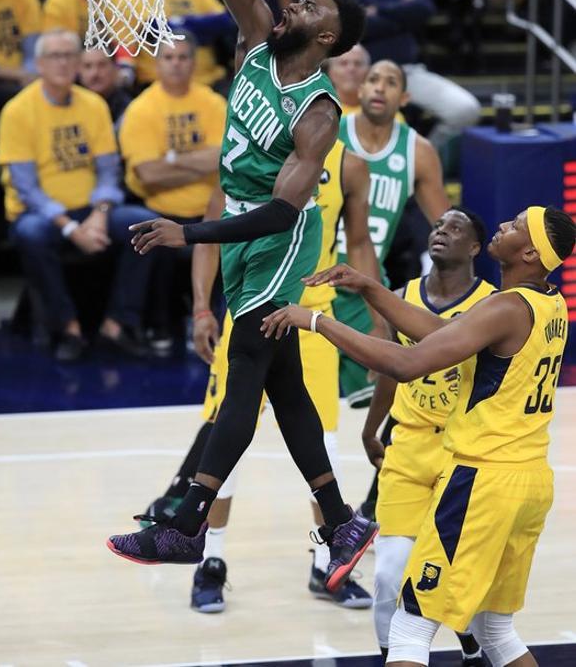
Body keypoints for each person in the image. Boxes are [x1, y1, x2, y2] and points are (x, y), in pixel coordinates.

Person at [106, 0, 374, 589]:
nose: (295, 0)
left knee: (245, 368)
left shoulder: (317, 114)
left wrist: (187, 230)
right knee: (282, 380)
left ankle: (188, 520)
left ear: (325, 35)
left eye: (312, 3)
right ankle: (340, 514)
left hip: (279, 237)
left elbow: (282, 214)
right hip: (245, 228)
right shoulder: (257, 38)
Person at [262, 205, 575, 667]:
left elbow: (407, 364)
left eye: (513, 226)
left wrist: (317, 322)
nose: (503, 225)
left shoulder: (506, 306)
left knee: (410, 626)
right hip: (527, 481)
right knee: (496, 630)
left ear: (529, 252)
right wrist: (369, 286)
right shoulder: (550, 304)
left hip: (482, 481)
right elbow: (441, 332)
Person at [143, 136, 379, 612]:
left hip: (313, 317)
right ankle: (212, 561)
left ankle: (325, 561)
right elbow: (212, 231)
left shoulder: (349, 166)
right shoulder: (244, 156)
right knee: (225, 442)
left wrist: (377, 315)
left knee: (324, 445)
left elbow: (358, 242)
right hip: (250, 313)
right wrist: (202, 309)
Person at [362, 207, 495, 664]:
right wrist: (371, 427)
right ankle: (392, 655)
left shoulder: (493, 305)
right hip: (409, 447)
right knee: (388, 575)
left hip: (464, 452)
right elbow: (390, 368)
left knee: (457, 572)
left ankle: (473, 643)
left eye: (456, 228)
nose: (442, 232)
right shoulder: (404, 297)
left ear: (476, 247)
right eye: (438, 226)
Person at [0, 29, 156, 361]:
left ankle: (117, 324)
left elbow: (108, 171)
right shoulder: (17, 110)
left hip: (91, 208)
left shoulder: (93, 104)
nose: (64, 63)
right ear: (39, 64)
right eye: (55, 56)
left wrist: (99, 213)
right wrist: (71, 228)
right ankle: (67, 328)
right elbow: (27, 189)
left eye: (70, 55)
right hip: (41, 214)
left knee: (145, 226)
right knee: (31, 235)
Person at [330, 57, 451, 409]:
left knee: (378, 407)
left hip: (363, 284)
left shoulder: (418, 152)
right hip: (308, 276)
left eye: (391, 82)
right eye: (373, 79)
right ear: (361, 89)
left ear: (404, 98)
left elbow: (447, 226)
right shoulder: (331, 131)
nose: (380, 87)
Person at [317, 0, 480, 149]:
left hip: (406, 71)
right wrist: (399, 13)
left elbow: (424, 8)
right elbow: (352, 28)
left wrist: (377, 10)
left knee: (465, 110)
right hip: (357, 75)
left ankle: (419, 165)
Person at [119, 33, 227, 350]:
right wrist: (202, 162)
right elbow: (148, 175)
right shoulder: (141, 109)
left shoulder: (213, 102)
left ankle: (217, 323)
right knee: (151, 238)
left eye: (183, 57)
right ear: (156, 64)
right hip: (161, 211)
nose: (176, 64)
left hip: (212, 211)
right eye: (169, 57)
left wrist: (170, 161)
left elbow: (226, 159)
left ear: (194, 63)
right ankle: (159, 325)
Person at [78, 49, 133, 127]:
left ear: (115, 68)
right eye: (88, 66)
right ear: (78, 70)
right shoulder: (66, 104)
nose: (95, 73)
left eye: (102, 65)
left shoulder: (129, 109)